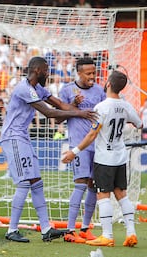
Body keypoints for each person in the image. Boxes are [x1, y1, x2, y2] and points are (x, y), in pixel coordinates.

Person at [0, 56, 97, 243]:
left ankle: (46, 229)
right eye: (46, 70)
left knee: (36, 182)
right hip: (12, 137)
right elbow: (50, 113)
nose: (48, 73)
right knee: (24, 183)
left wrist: (76, 107)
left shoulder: (38, 88)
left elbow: (60, 105)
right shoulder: (24, 89)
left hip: (23, 137)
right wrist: (78, 113)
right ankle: (12, 229)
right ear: (37, 70)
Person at [62, 70, 142, 247]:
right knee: (122, 194)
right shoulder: (126, 106)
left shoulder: (102, 107)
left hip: (104, 158)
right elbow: (139, 124)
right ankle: (131, 232)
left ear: (108, 84)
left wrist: (73, 152)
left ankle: (107, 236)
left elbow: (92, 135)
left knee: (103, 195)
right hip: (120, 157)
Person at [58, 57, 106, 243]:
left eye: (94, 73)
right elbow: (58, 118)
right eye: (88, 73)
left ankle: (85, 228)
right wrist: (75, 106)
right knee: (80, 183)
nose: (92, 76)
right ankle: (70, 229)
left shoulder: (100, 91)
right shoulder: (67, 91)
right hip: (79, 146)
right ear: (79, 73)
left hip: (98, 144)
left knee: (93, 185)